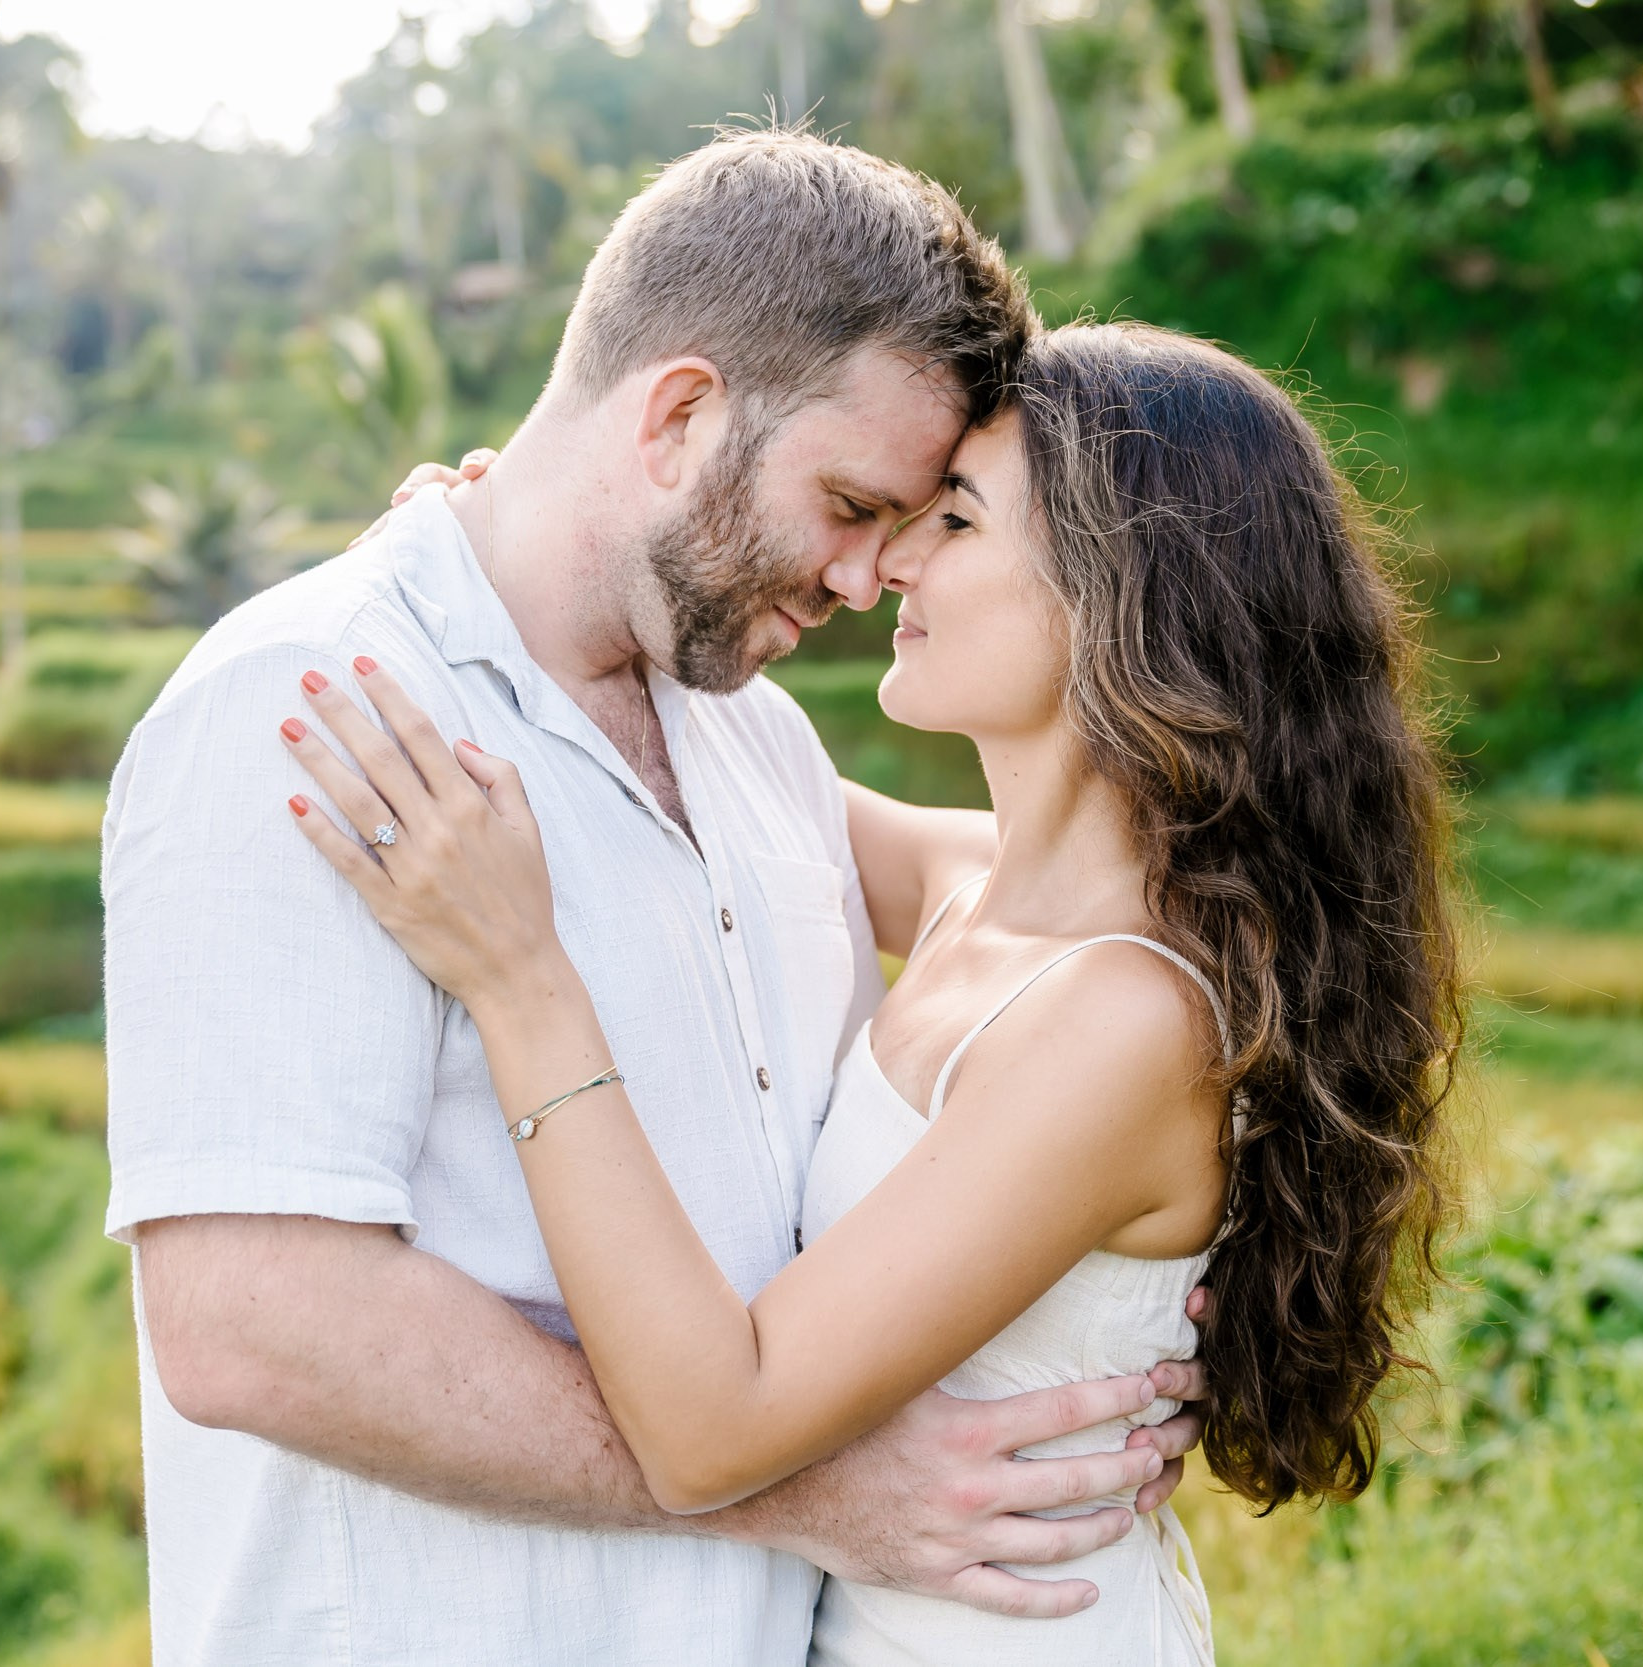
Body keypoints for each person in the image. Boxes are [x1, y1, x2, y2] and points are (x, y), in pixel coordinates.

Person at [101, 135, 1207, 1667]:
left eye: (921, 526)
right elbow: (249, 1326)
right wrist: (797, 1494)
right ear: (681, 414)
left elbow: (1088, 919)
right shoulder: (317, 704)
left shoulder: (756, 738)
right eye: (851, 503)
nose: (864, 578)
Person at [280, 320, 1468, 1663]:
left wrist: (520, 982)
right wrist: (536, 549)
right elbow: (665, 773)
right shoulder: (984, 887)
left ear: (1122, 591)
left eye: (952, 520)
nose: (891, 557)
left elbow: (710, 1430)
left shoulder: (1129, 1022)